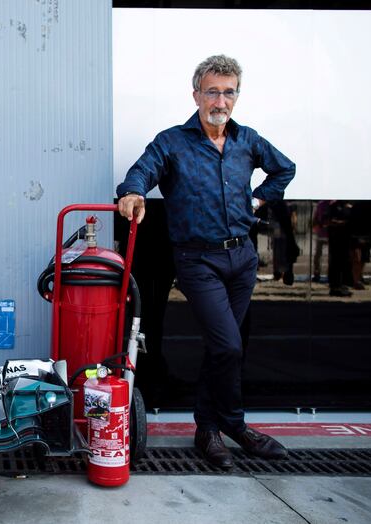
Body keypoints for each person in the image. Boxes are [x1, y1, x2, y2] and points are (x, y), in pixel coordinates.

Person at [116, 55, 295, 469]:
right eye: (212, 91)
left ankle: (207, 430)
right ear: (196, 94)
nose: (220, 100)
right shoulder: (173, 142)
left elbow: (284, 169)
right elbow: (141, 172)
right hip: (198, 260)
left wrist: (258, 199)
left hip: (243, 258)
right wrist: (133, 193)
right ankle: (234, 425)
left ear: (236, 96)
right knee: (228, 344)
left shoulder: (247, 140)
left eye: (228, 92)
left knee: (223, 350)